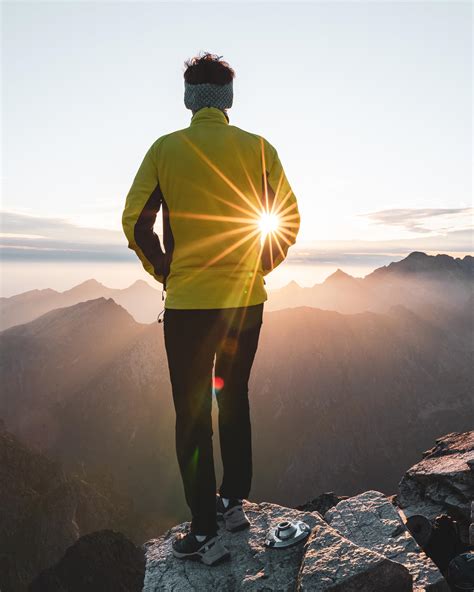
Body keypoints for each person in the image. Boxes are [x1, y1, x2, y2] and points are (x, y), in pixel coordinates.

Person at [122, 52, 300, 566]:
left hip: (189, 309)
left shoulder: (166, 149)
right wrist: (258, 268)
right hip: (246, 302)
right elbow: (287, 218)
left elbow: (136, 221)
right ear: (225, 101)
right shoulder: (260, 149)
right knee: (235, 396)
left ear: (188, 99)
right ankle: (233, 501)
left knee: (193, 413)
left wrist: (165, 272)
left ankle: (204, 531)